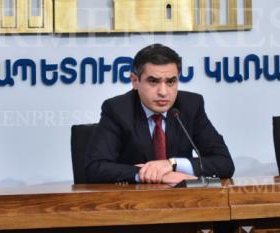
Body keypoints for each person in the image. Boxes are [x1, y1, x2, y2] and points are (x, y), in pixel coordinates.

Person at [85, 44, 235, 185]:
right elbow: (95, 168)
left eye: (171, 82)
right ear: (135, 81)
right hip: (132, 204)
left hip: (183, 204)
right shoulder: (117, 109)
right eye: (153, 81)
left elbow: (224, 163)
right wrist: (152, 174)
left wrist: (172, 164)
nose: (163, 92)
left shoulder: (191, 106)